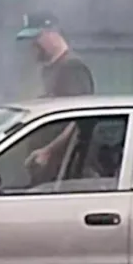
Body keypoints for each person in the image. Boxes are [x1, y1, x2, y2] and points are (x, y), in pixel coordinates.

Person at [17, 11, 95, 171]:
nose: (31, 46)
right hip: (44, 167)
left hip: (64, 169)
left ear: (52, 33)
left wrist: (49, 151)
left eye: (35, 39)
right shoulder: (48, 69)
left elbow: (79, 121)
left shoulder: (72, 67)